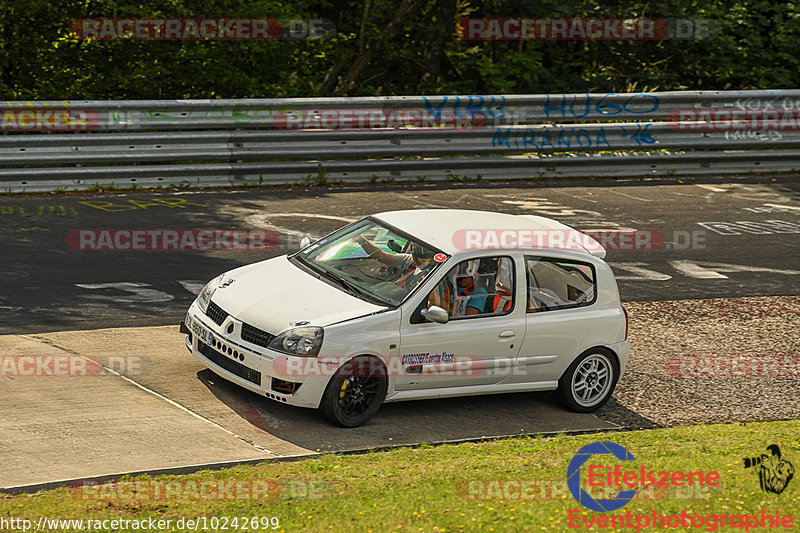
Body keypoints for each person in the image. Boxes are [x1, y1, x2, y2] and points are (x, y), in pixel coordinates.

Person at [355, 234, 436, 288]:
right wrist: (360, 240)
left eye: (426, 252)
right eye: (421, 250)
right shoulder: (409, 259)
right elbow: (381, 256)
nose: (423, 252)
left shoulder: (438, 273)